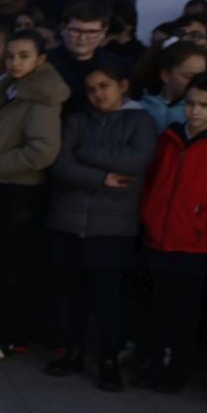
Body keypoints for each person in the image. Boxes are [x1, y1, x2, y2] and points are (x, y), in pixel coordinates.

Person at [41, 62, 156, 390]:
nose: (98, 94)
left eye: (104, 86)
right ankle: (73, 352)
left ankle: (108, 359)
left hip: (112, 228)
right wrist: (101, 177)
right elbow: (61, 164)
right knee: (72, 294)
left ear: (123, 85)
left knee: (107, 299)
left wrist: (84, 153)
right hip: (70, 219)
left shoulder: (141, 121)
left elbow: (134, 162)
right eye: (91, 89)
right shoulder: (77, 119)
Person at [0, 30, 67, 360]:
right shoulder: (10, 89)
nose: (15, 62)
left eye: (24, 56)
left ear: (41, 60)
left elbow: (42, 150)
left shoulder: (41, 97)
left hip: (18, 193)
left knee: (9, 267)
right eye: (11, 56)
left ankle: (3, 336)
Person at [137, 73, 207, 391]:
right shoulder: (170, 138)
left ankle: (175, 369)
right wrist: (148, 214)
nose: (195, 111)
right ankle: (152, 363)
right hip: (160, 236)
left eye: (204, 106)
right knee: (157, 306)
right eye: (191, 103)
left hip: (194, 243)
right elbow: (153, 181)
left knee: (185, 311)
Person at [143, 42, 207, 128]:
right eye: (189, 76)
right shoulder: (141, 107)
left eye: (202, 76)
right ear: (166, 75)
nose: (197, 81)